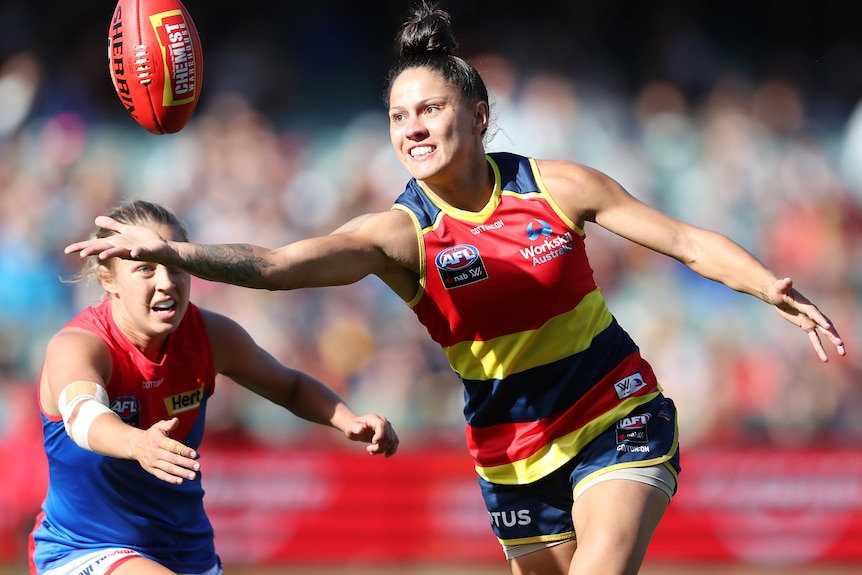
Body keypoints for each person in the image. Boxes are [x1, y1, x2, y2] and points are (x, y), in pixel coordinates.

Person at [65, 3, 846, 574]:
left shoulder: (558, 187)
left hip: (617, 409)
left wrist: (767, 284)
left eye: (430, 108)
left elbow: (682, 241)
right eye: (398, 115)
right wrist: (177, 251)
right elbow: (278, 265)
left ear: (477, 115)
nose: (412, 127)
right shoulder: (398, 235)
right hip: (509, 447)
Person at [33, 199, 398, 575]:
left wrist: (347, 419)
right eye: (145, 268)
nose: (166, 282)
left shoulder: (210, 335)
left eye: (176, 266)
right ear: (109, 280)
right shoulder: (80, 344)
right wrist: (136, 443)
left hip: (189, 554)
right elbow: (82, 416)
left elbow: (288, 385)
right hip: (84, 549)